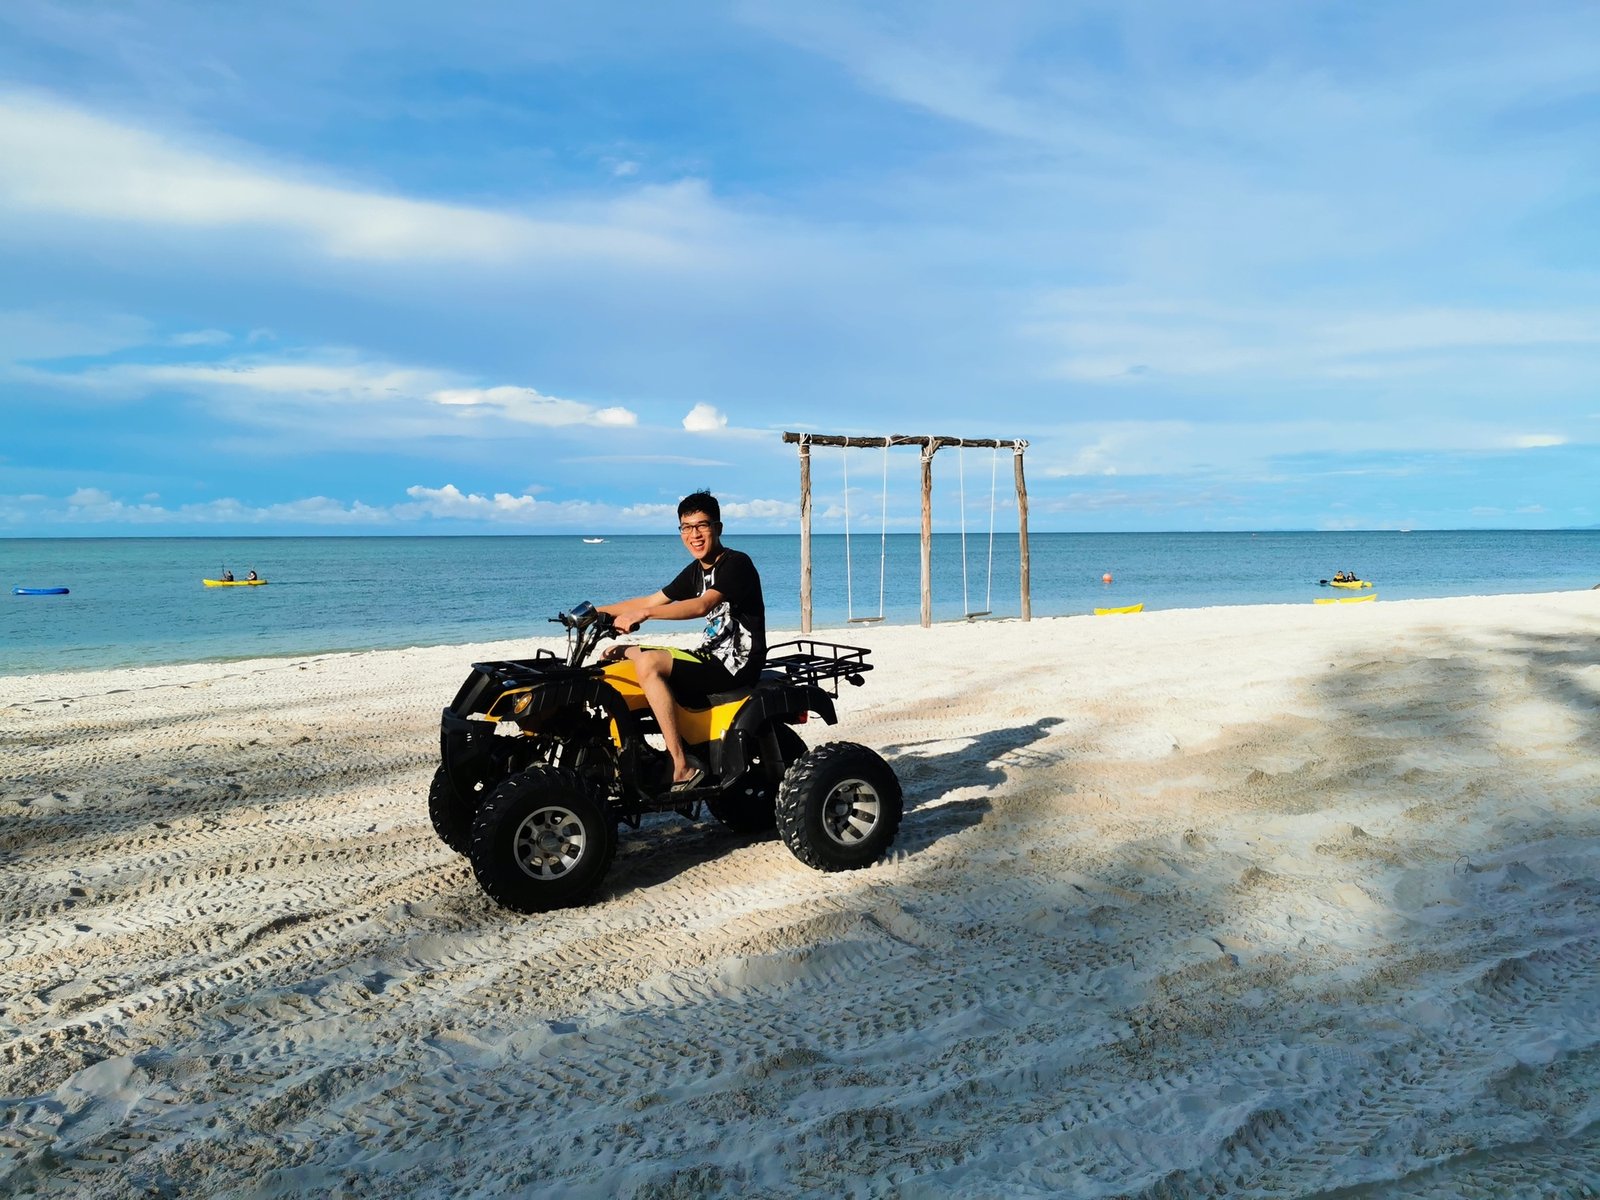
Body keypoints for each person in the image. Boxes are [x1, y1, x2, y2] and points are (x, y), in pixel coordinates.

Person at [598, 491, 766, 791]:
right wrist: (594, 611)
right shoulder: (695, 571)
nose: (694, 535)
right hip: (709, 656)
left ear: (718, 528)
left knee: (649, 661)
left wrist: (646, 614)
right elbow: (653, 598)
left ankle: (681, 765)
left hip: (736, 663)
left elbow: (701, 605)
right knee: (617, 656)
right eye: (686, 527)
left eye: (702, 525)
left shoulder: (736, 563)